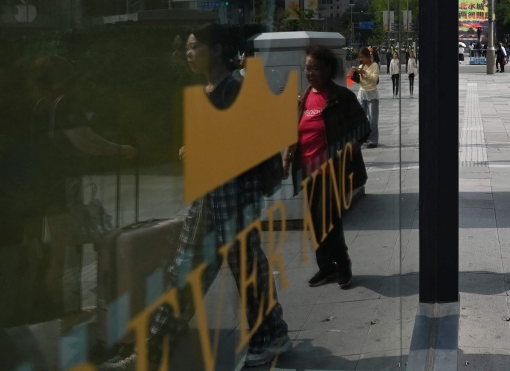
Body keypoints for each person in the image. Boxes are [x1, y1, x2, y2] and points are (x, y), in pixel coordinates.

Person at [113, 25, 290, 370]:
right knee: (183, 271)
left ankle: (271, 337)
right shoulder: (209, 89)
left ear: (217, 49)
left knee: (246, 269)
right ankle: (151, 347)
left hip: (234, 195)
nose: (188, 53)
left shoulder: (234, 88)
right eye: (187, 48)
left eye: (195, 47)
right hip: (208, 196)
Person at [285, 46, 370, 289]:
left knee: (329, 219)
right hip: (308, 171)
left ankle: (342, 266)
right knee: (316, 221)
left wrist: (354, 142)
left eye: (315, 68)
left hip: (334, 169)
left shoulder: (342, 96)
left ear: (328, 69)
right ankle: (326, 267)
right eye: (307, 69)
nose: (310, 73)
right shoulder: (303, 97)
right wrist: (286, 156)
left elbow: (363, 125)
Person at [353, 47, 380, 148]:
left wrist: (365, 73)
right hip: (362, 93)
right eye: (360, 58)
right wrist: (356, 75)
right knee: (362, 118)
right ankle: (364, 139)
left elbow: (374, 80)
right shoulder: (361, 66)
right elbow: (361, 81)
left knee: (373, 118)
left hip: (372, 94)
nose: (361, 59)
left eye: (362, 57)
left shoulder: (374, 66)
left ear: (368, 56)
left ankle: (373, 140)